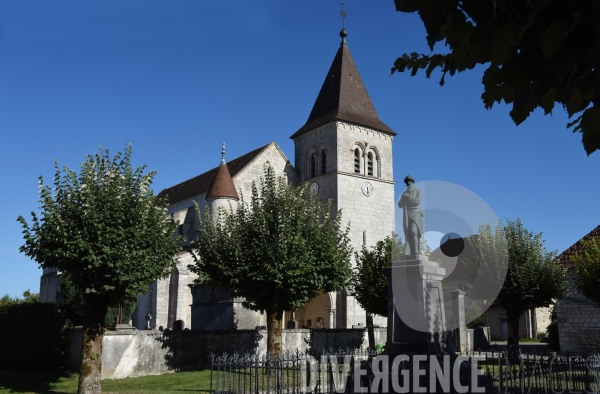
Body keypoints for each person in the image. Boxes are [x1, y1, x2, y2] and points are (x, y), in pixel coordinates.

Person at [398, 175, 424, 255]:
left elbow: (416, 202)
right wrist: (403, 198)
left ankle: (416, 250)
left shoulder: (418, 191)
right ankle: (410, 251)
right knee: (408, 233)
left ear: (412, 181)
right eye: (406, 181)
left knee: (413, 231)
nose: (408, 183)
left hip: (415, 214)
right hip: (406, 214)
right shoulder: (404, 193)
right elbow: (400, 204)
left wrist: (408, 197)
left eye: (409, 181)